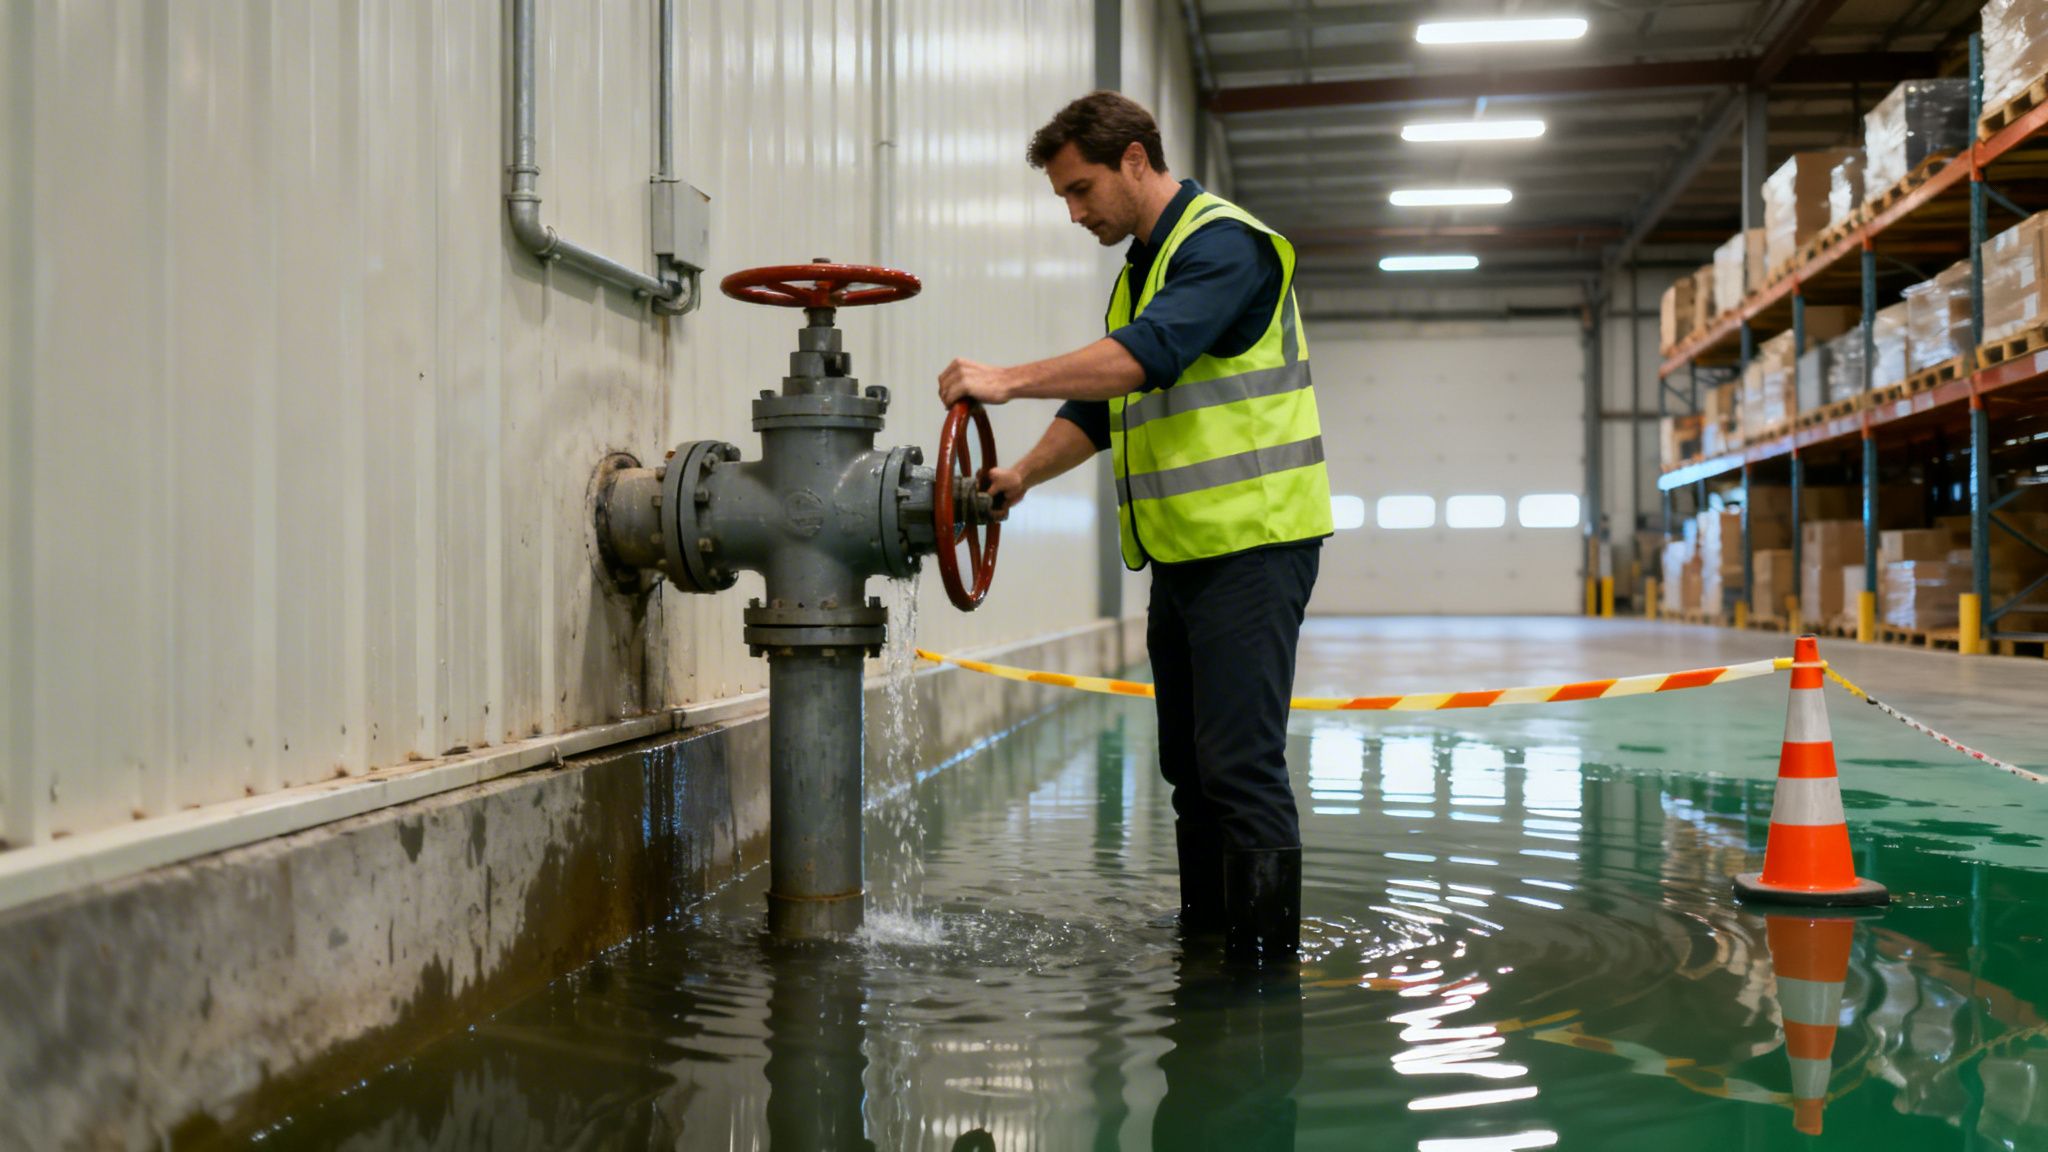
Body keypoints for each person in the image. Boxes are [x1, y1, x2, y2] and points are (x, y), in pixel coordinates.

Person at [937, 91, 1331, 964]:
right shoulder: (1142, 270)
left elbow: (1148, 355)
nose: (1076, 213)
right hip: (1184, 555)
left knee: (1240, 769)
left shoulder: (1224, 246)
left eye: (1082, 191)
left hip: (1253, 545)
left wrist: (1005, 379)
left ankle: (1263, 973)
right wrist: (1020, 477)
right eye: (1065, 199)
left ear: (1137, 162)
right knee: (1190, 774)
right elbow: (1104, 401)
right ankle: (1209, 939)